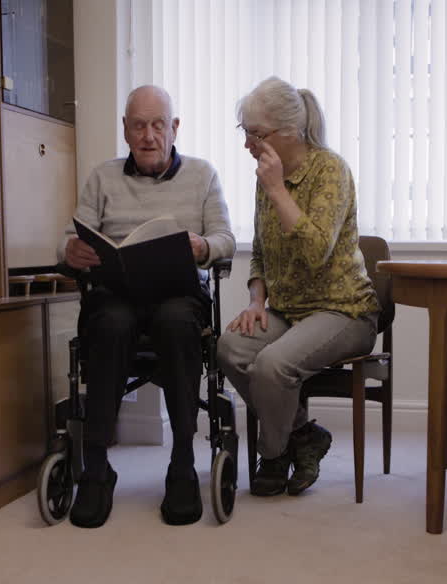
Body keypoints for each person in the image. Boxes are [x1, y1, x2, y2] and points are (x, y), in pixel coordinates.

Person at [62, 85, 235, 528]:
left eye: (159, 124)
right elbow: (71, 236)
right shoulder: (102, 177)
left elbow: (226, 240)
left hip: (178, 293)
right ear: (125, 130)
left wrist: (202, 247)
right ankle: (97, 465)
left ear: (174, 128)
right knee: (110, 324)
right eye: (139, 125)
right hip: (116, 295)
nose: (149, 135)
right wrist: (71, 251)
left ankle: (181, 461)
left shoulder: (203, 175)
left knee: (177, 321)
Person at [217, 76, 379, 498]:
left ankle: (273, 456)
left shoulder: (330, 170)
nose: (248, 145)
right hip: (290, 311)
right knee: (229, 348)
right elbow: (260, 255)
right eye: (245, 132)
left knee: (273, 365)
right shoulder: (264, 179)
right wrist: (256, 301)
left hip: (345, 311)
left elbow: (316, 252)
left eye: (256, 134)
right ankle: (304, 434)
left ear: (289, 131)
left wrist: (277, 190)